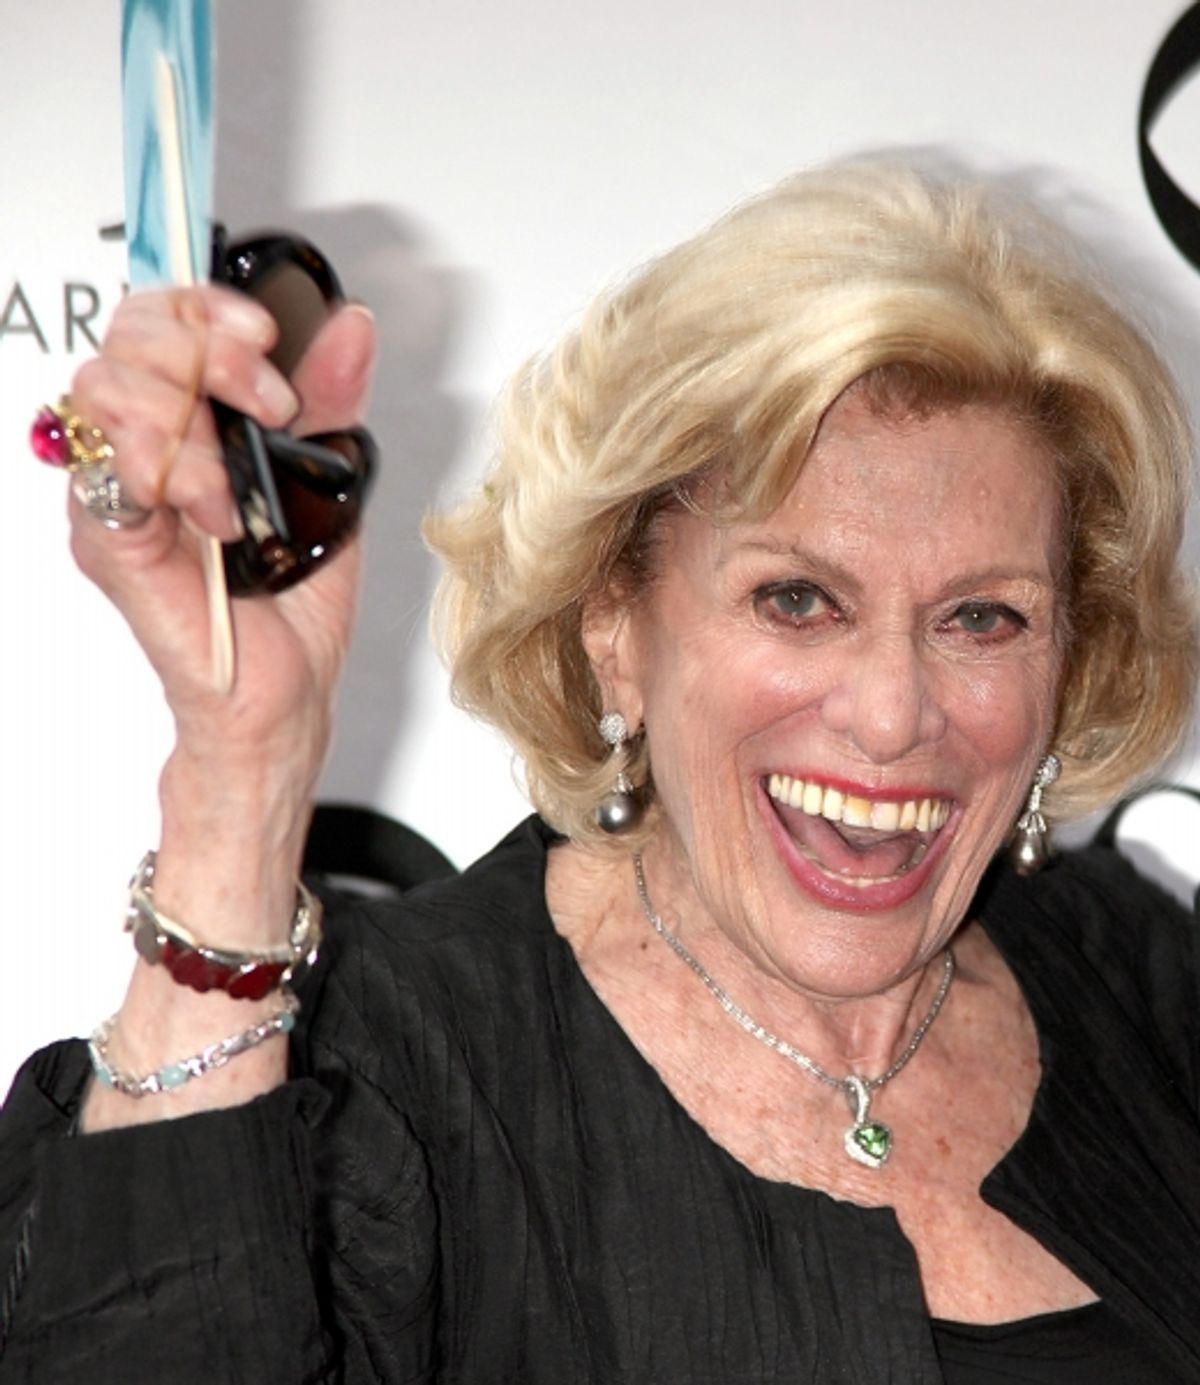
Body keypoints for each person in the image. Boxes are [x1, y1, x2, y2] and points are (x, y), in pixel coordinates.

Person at [2, 159, 1199, 1383]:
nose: (894, 714)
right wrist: (240, 767)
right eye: (797, 599)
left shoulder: (1144, 987)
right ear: (614, 622)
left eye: (984, 618)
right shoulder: (375, 1068)